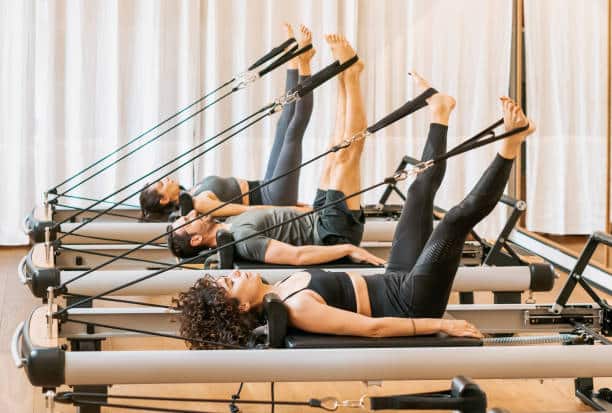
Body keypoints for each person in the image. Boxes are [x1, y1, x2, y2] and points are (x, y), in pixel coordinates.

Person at [174, 87, 536, 349]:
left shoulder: (281, 290)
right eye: (231, 283)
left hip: (396, 276)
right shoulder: (296, 307)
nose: (234, 273)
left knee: (417, 193)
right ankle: (511, 145)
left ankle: (440, 112)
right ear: (241, 306)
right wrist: (442, 325)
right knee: (454, 221)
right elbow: (373, 329)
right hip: (411, 299)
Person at [167, 35, 385, 267]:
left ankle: (346, 73)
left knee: (334, 150)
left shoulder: (230, 222)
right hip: (331, 233)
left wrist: (302, 207)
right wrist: (349, 248)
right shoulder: (243, 241)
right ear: (197, 239)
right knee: (346, 154)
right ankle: (352, 77)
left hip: (317, 215)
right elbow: (296, 257)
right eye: (187, 221)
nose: (190, 214)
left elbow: (276, 215)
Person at [139, 24, 315, 221]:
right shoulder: (199, 204)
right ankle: (304, 63)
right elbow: (244, 211)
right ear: (163, 200)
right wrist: (292, 211)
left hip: (266, 187)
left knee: (284, 124)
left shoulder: (191, 192)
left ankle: (293, 59)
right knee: (293, 131)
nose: (165, 179)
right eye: (161, 184)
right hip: (274, 198)